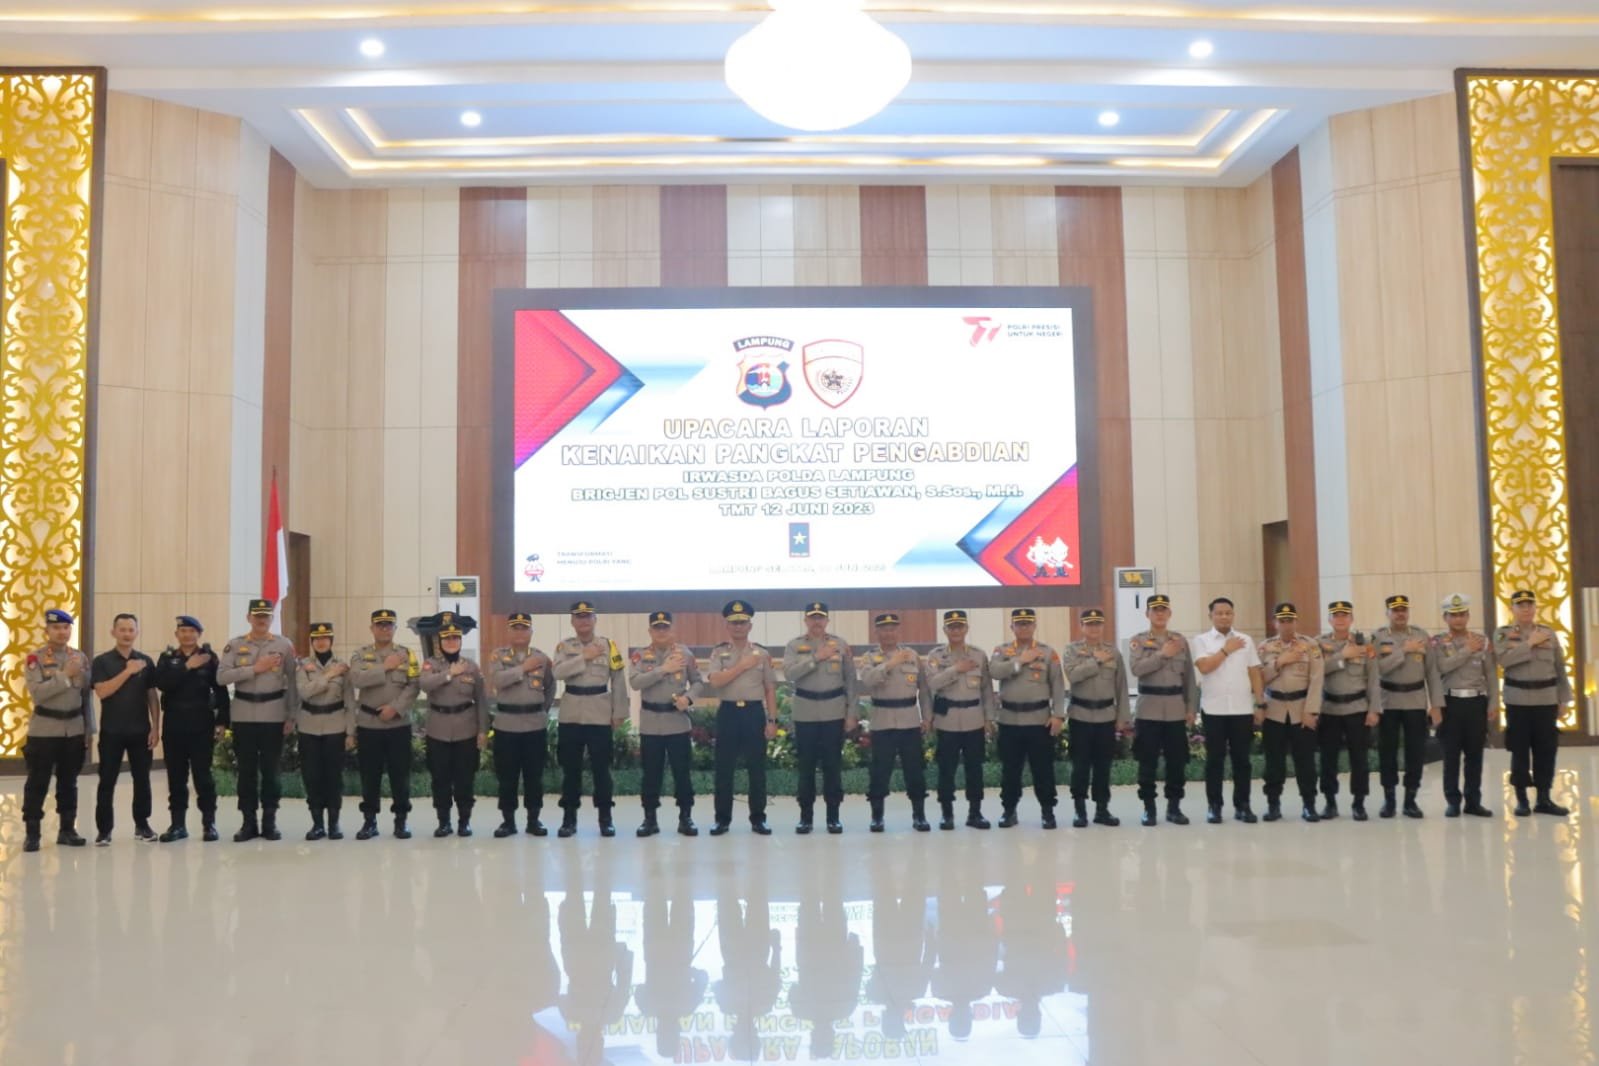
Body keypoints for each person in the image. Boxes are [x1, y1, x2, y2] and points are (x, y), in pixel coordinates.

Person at [215, 599, 298, 842]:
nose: (261, 620)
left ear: (271, 618)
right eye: (257, 615)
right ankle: (248, 822)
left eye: (266, 616)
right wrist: (255, 668)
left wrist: (291, 715)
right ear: (249, 618)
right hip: (243, 714)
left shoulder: (284, 645)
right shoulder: (235, 645)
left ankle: (270, 821)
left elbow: (293, 682)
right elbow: (222, 677)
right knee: (246, 771)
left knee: (271, 771)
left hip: (273, 714)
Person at [551, 601, 629, 838]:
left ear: (595, 620)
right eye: (579, 617)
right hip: (571, 714)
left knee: (602, 770)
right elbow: (557, 672)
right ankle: (569, 819)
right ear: (572, 621)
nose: (584, 621)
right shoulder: (564, 646)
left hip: (599, 713)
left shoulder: (608, 645)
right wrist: (583, 657)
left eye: (588, 616)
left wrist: (619, 712)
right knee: (570, 770)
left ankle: (605, 818)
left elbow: (618, 679)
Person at [1494, 588, 1574, 817]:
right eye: (1520, 605)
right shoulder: (1503, 634)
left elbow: (1560, 668)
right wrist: (1528, 643)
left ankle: (1544, 798)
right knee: (1519, 750)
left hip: (1546, 699)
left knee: (1546, 750)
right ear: (1512, 609)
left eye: (1530, 604)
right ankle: (1521, 799)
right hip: (1517, 700)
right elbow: (1503, 660)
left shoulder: (1548, 633)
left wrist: (1564, 699)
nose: (1526, 609)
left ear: (1535, 607)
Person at [702, 599, 778, 836]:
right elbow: (715, 681)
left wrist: (772, 720)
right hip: (728, 713)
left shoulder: (762, 654)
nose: (738, 627)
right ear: (727, 626)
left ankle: (758, 819)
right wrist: (742, 666)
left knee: (757, 769)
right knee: (724, 769)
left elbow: (770, 688)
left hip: (754, 713)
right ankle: (722, 820)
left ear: (749, 626)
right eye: (734, 623)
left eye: (742, 622)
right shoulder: (719, 652)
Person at [21, 608, 93, 852]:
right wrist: (65, 675)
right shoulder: (36, 658)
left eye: (66, 627)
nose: (62, 632)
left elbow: (85, 697)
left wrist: (88, 730)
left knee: (69, 783)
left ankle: (67, 830)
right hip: (44, 730)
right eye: (56, 628)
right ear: (47, 631)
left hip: (73, 729)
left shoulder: (80, 657)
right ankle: (32, 833)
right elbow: (38, 694)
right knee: (37, 782)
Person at [153, 615, 229, 842]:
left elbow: (221, 690)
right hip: (174, 724)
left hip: (201, 724)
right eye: (183, 631)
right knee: (176, 778)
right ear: (177, 634)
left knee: (203, 777)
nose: (187, 635)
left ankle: (209, 824)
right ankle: (178, 825)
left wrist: (222, 721)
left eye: (192, 631)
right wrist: (187, 667)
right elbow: (162, 684)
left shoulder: (209, 658)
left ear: (199, 634)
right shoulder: (167, 658)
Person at [781, 601, 856, 834]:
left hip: (834, 711)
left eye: (820, 617)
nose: (816, 622)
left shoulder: (840, 645)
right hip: (806, 713)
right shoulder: (794, 646)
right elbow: (789, 673)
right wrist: (816, 657)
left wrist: (851, 713)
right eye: (812, 617)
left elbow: (850, 682)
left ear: (827, 620)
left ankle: (833, 817)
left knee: (833, 766)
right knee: (806, 767)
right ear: (805, 620)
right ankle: (806, 817)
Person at [627, 610, 703, 837]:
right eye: (657, 628)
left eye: (665, 627)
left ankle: (686, 817)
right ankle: (649, 819)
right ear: (650, 631)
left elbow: (698, 683)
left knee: (682, 773)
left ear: (672, 630)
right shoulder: (640, 655)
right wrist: (663, 670)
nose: (661, 631)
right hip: (651, 723)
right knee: (651, 774)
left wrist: (688, 698)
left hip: (677, 722)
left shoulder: (685, 654)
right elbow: (635, 682)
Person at [1191, 597, 1265, 824]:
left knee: (1242, 760)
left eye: (1228, 613)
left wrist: (1260, 703)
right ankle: (1214, 806)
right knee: (1215, 761)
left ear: (1233, 615)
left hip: (1242, 709)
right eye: (1219, 613)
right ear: (1211, 616)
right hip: (1214, 710)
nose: (1224, 616)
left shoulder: (1245, 640)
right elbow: (1205, 667)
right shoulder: (1201, 640)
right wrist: (1226, 650)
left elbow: (1254, 672)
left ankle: (1243, 805)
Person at [990, 607, 1066, 829]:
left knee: (1043, 769)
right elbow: (995, 671)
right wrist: (1020, 661)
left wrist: (1058, 715)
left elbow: (1058, 685)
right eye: (1019, 624)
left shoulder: (1047, 652)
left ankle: (1047, 812)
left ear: (1034, 626)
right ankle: (1009, 811)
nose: (1023, 627)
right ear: (1012, 627)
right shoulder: (1001, 651)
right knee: (1010, 771)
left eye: (1027, 623)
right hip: (1010, 721)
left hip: (1039, 721)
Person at [349, 607, 420, 840]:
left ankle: (401, 820)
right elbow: (356, 679)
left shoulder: (407, 654)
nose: (384, 629)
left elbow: (414, 685)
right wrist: (385, 667)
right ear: (372, 628)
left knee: (400, 775)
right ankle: (369, 821)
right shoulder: (360, 655)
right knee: (370, 776)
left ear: (395, 628)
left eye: (389, 625)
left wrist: (395, 708)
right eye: (380, 625)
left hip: (398, 724)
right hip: (369, 724)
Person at [858, 612, 933, 832]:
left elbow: (924, 690)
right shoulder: (869, 658)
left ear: (897, 631)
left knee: (915, 770)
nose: (888, 633)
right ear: (877, 632)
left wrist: (927, 717)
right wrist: (891, 663)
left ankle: (919, 815)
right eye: (884, 629)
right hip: (883, 721)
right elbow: (868, 680)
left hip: (909, 720)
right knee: (879, 771)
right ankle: (877, 816)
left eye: (892, 629)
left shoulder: (912, 656)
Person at [89, 612, 159, 845]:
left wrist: (155, 727)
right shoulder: (102, 661)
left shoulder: (146, 661)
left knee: (142, 780)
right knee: (107, 781)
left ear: (137, 633)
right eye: (122, 630)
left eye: (131, 630)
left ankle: (142, 825)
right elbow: (102, 691)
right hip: (112, 732)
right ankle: (104, 830)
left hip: (141, 731)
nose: (127, 634)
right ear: (113, 632)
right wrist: (128, 671)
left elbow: (152, 696)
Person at [1127, 593, 1197, 826]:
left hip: (1175, 708)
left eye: (1163, 610)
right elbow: (1136, 669)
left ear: (1169, 613)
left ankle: (1174, 807)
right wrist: (1162, 655)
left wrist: (1190, 707)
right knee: (1147, 761)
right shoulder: (1138, 641)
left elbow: (1189, 677)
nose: (1159, 614)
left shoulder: (1180, 641)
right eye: (1155, 610)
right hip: (1149, 708)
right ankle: (1149, 808)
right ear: (1147, 614)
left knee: (1177, 761)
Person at [419, 612, 489, 837]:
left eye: (455, 638)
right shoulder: (430, 664)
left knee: (465, 778)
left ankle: (464, 821)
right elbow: (425, 685)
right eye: (447, 638)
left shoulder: (471, 666)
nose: (451, 642)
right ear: (440, 642)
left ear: (460, 640)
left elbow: (481, 700)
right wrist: (450, 673)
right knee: (440, 778)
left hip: (466, 729)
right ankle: (444, 822)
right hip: (438, 730)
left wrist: (482, 730)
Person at [1428, 593, 1498, 818]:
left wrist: (1493, 702)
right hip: (1450, 703)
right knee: (1451, 755)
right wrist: (1467, 650)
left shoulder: (1482, 641)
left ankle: (1473, 801)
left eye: (1462, 614)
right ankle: (1452, 801)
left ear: (1468, 615)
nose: (1458, 619)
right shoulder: (1438, 642)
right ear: (1445, 617)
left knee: (1475, 755)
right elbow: (1441, 668)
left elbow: (1491, 674)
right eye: (1453, 615)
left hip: (1476, 702)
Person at [925, 609, 995, 830]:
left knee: (975, 768)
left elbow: (986, 689)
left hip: (974, 719)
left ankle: (975, 813)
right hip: (947, 720)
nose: (956, 630)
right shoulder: (936, 656)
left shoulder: (978, 655)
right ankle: (947, 814)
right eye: (951, 627)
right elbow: (932, 683)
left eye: (960, 626)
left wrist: (989, 718)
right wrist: (956, 669)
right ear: (944, 630)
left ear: (966, 629)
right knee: (946, 769)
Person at [486, 611, 554, 837]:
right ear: (508, 631)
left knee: (534, 776)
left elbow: (550, 687)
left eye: (524, 628)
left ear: (531, 632)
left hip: (535, 725)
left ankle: (534, 820)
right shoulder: (498, 656)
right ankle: (508, 821)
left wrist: (540, 710)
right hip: (506, 725)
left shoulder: (542, 658)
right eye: (515, 628)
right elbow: (498, 680)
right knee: (507, 776)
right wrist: (524, 668)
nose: (520, 632)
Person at [1257, 603, 1325, 823]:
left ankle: (1309, 805)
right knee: (1274, 762)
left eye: (1290, 620)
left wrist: (1311, 711)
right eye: (1282, 621)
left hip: (1301, 710)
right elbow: (1258, 679)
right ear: (1275, 623)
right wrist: (1279, 662)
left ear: (1296, 622)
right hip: (1274, 710)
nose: (1286, 625)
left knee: (1305, 762)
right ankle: (1273, 804)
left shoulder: (1310, 645)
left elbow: (1317, 679)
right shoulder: (1265, 647)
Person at [1063, 607, 1129, 828]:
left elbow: (1121, 686)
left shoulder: (1113, 652)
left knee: (1103, 766)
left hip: (1106, 717)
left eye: (1097, 624)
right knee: (1080, 765)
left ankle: (1102, 809)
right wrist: (1095, 661)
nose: (1093, 628)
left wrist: (1122, 716)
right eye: (1089, 624)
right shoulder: (1072, 650)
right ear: (1082, 627)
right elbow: (1073, 676)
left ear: (1102, 626)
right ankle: (1079, 810)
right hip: (1080, 716)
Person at [1373, 593, 1437, 818]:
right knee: (1387, 752)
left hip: (1416, 701)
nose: (1400, 614)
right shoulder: (1378, 637)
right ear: (1387, 613)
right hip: (1388, 701)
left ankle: (1411, 799)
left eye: (1403, 610)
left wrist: (1436, 705)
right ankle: (1389, 799)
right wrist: (1404, 651)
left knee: (1415, 752)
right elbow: (1376, 669)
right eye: (1395, 610)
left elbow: (1432, 672)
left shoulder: (1421, 635)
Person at [1316, 600, 1380, 820]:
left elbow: (1373, 678)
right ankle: (1330, 802)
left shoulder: (1366, 644)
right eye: (1336, 615)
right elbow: (1316, 671)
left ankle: (1359, 803)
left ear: (1351, 619)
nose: (1340, 619)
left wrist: (1374, 709)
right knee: (1328, 760)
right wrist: (1342, 657)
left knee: (1359, 760)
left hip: (1357, 709)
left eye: (1344, 615)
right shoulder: (1319, 644)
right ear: (1329, 619)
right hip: (1330, 709)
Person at [296, 620, 353, 840]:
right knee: (312, 776)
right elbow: (304, 692)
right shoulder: (303, 666)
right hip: (309, 726)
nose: (321, 642)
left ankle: (334, 823)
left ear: (331, 641)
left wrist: (351, 732)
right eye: (317, 639)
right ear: (312, 642)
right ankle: (317, 824)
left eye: (325, 638)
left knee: (333, 777)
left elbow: (350, 701)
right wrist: (329, 675)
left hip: (335, 725)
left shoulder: (343, 667)